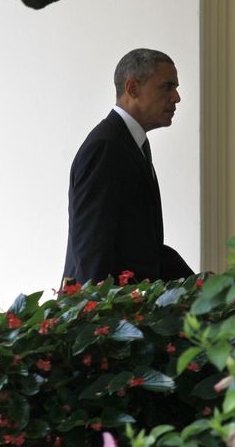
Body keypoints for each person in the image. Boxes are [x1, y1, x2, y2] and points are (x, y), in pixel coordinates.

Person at [62, 48, 194, 285]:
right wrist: (99, 317)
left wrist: (203, 286)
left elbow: (145, 249)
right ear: (132, 88)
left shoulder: (133, 143)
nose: (176, 97)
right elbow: (91, 251)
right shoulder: (105, 147)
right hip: (107, 315)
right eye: (167, 87)